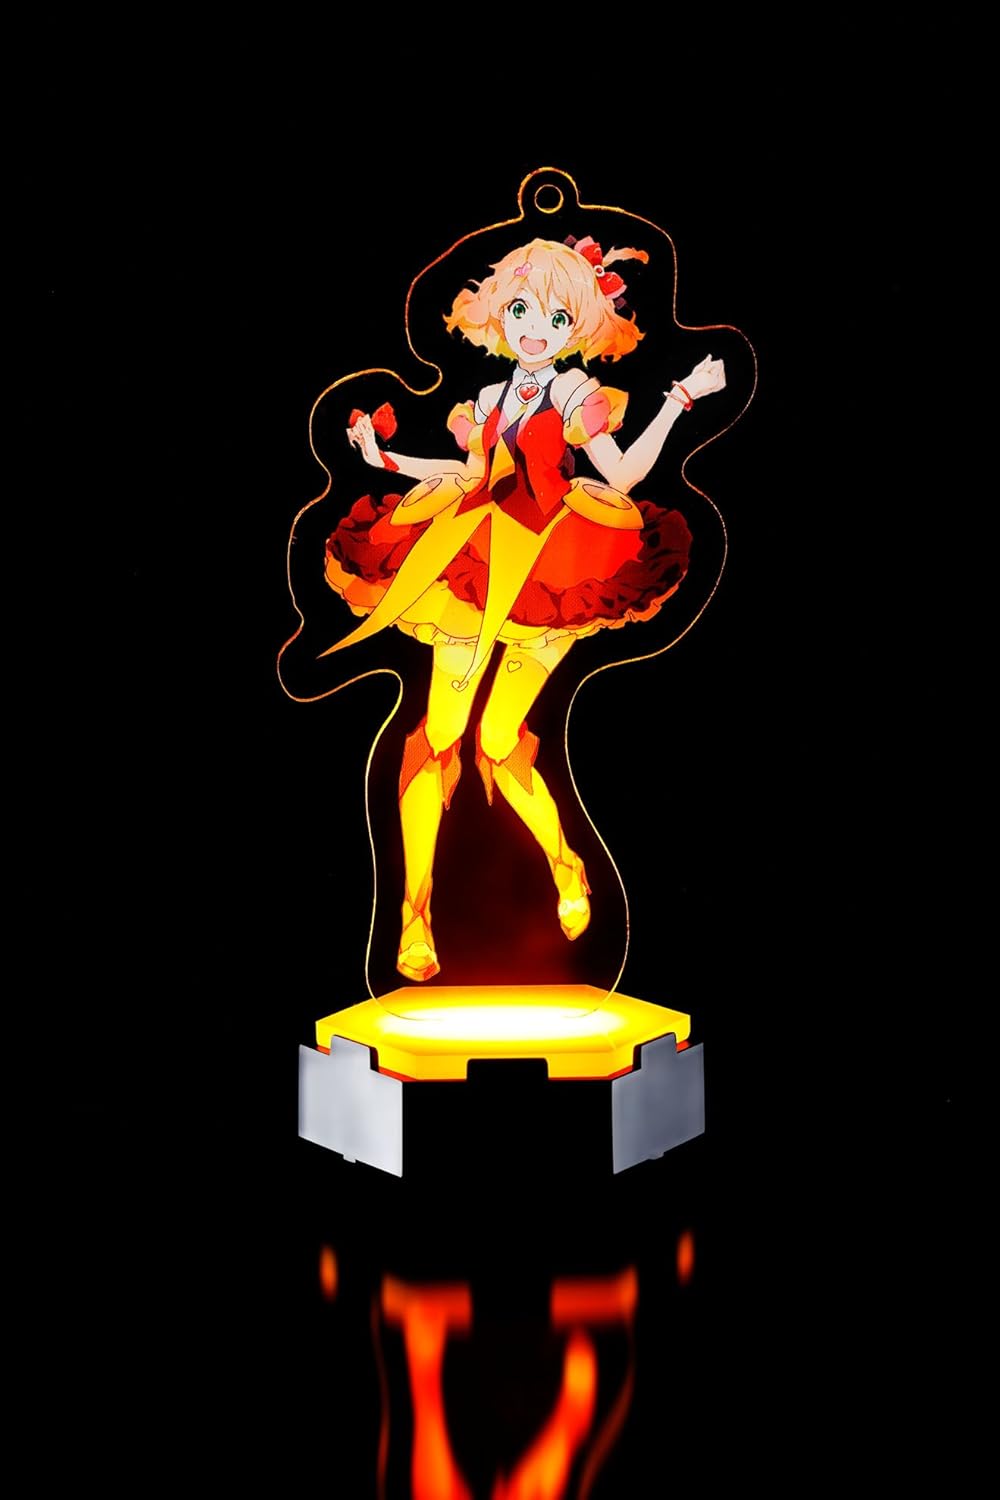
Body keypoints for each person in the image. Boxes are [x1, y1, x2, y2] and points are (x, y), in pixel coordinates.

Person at [322, 235, 725, 982]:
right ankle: (415, 917)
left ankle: (566, 865)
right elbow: (470, 471)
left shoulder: (574, 394)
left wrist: (680, 399)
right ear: (498, 315)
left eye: (557, 317)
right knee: (438, 735)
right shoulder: (487, 399)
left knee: (498, 739)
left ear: (579, 328)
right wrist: (387, 461)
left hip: (552, 568)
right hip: (476, 563)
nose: (536, 328)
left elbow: (625, 474)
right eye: (520, 310)